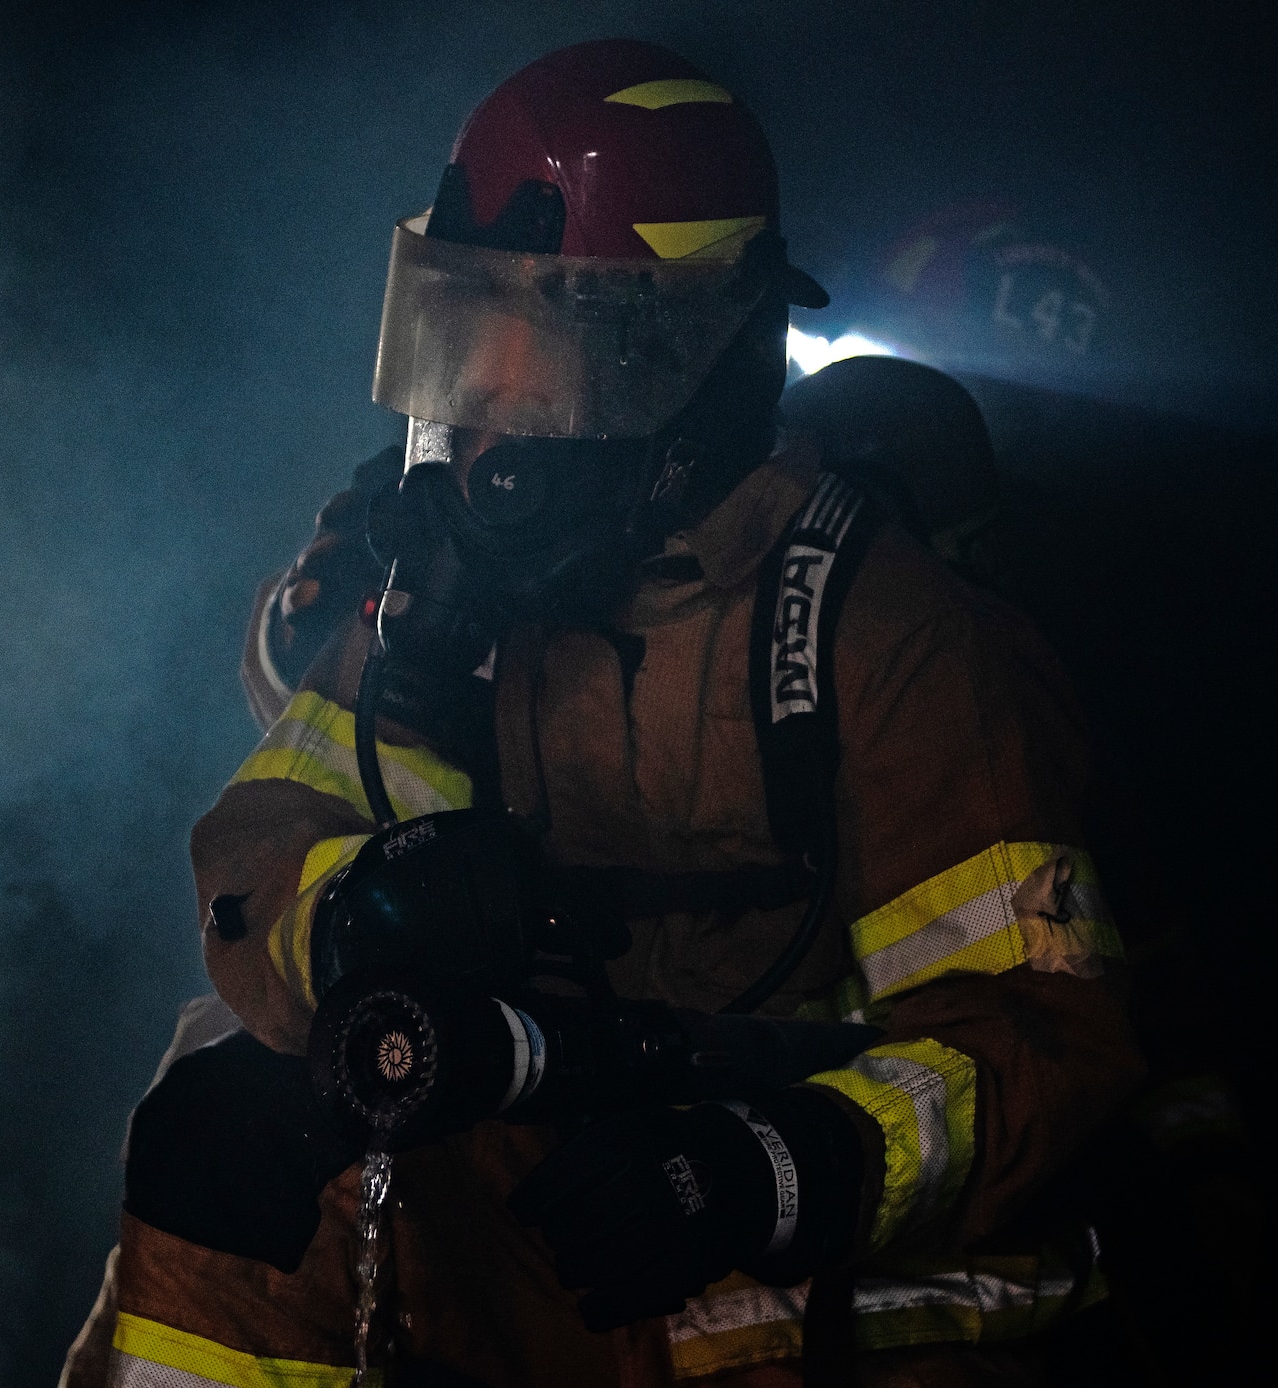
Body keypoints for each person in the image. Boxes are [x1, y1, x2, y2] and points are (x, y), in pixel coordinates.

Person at [81, 40, 1145, 1388]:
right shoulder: (469, 606)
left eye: (549, 355)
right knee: (229, 1131)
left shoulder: (897, 639)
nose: (487, 431)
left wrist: (770, 1167)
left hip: (838, 1301)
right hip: (574, 1234)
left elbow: (1049, 1050)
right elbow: (268, 837)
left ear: (689, 362)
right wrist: (355, 909)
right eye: (474, 346)